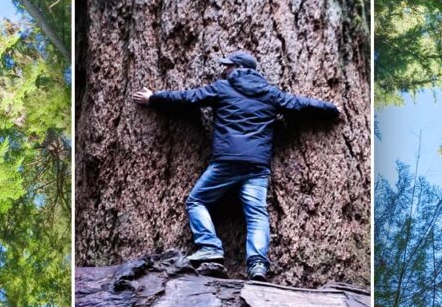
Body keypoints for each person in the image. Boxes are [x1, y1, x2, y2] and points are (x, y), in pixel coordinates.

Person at [132, 51, 339, 281]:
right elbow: (300, 104)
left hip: (227, 162)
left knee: (197, 201)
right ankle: (258, 264)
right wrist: (331, 109)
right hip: (257, 165)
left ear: (238, 68)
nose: (224, 70)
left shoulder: (222, 88)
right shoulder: (270, 94)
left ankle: (210, 246)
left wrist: (154, 98)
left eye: (227, 66)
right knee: (257, 214)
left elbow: (188, 98)